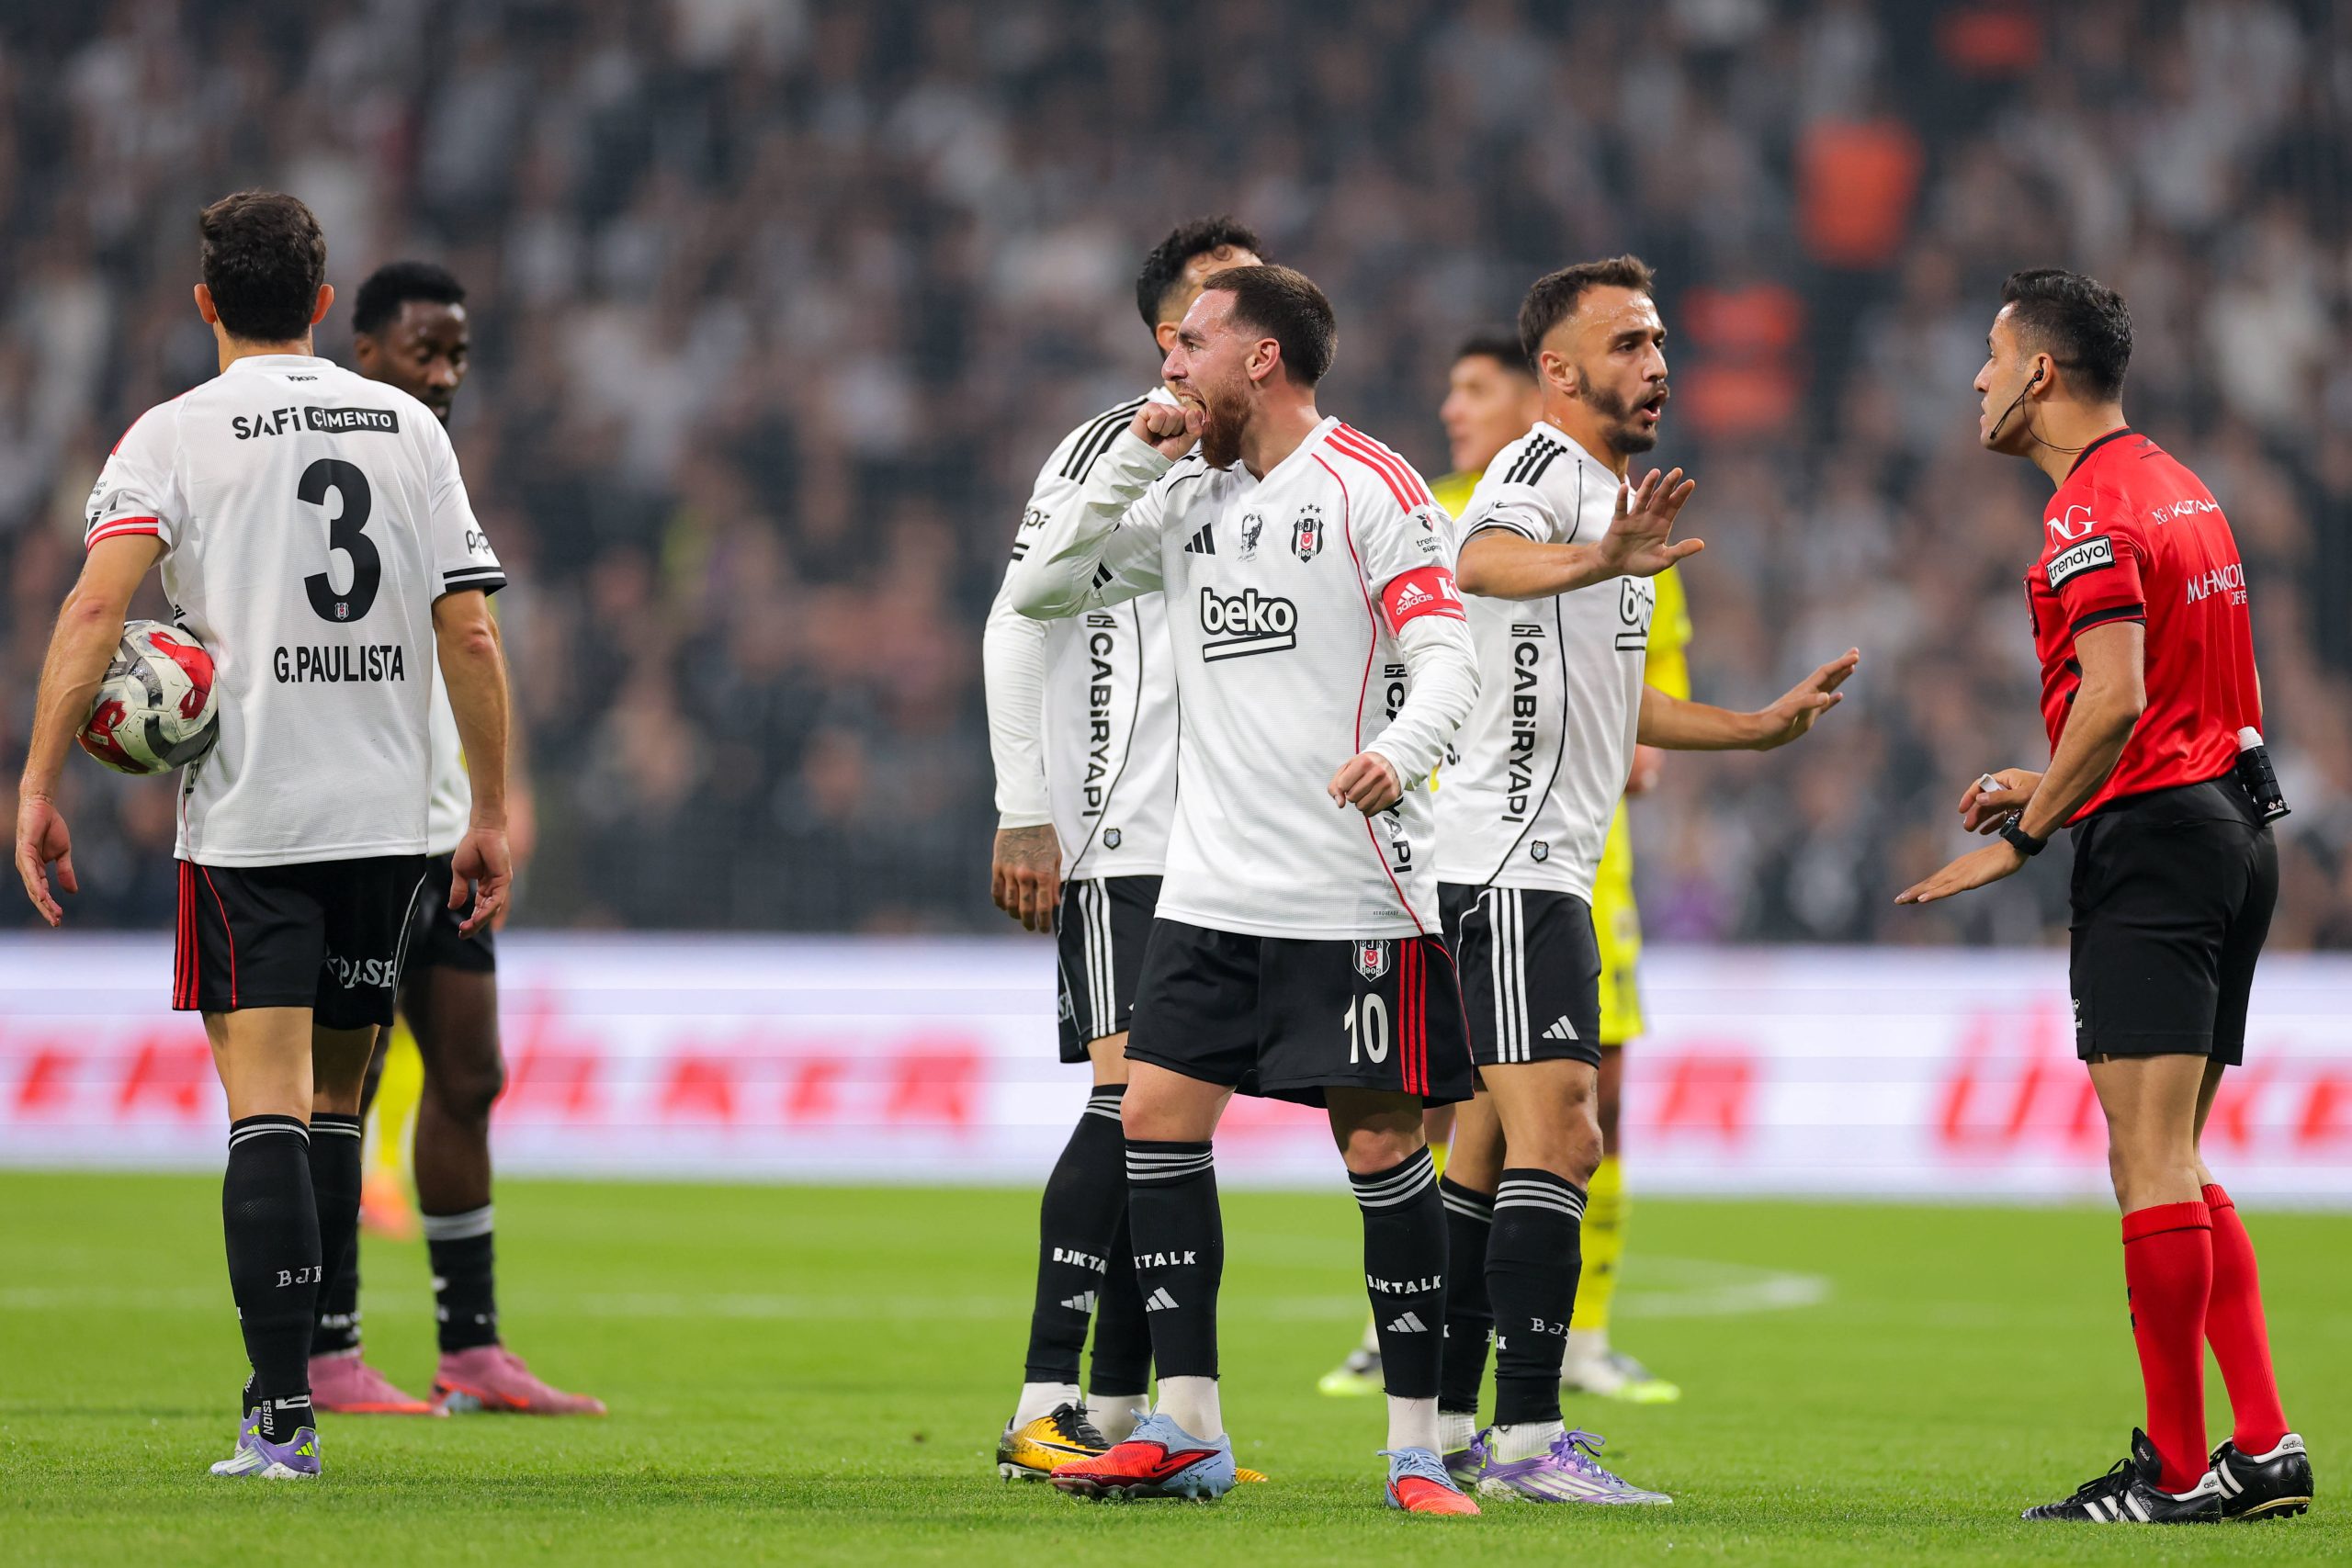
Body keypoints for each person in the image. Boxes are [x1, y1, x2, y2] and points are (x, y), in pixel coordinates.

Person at [12, 192, 513, 1478]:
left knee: (267, 1105)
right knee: (336, 1097)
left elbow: (93, 613)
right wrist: (492, 811)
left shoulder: (171, 434)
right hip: (388, 822)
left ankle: (283, 1414)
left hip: (253, 822)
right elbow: (469, 630)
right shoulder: (406, 426)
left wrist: (39, 781)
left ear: (205, 303)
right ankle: (328, 1358)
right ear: (325, 304)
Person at [1008, 265, 1492, 1513]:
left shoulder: (1371, 486)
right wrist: (1134, 456)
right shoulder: (1185, 495)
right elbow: (1042, 589)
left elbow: (1449, 656)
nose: (1169, 365)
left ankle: (1416, 1448)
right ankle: (1190, 1424)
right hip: (1210, 894)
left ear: (1261, 357)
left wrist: (1402, 752)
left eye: (1192, 345)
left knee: (1381, 1144)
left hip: (1351, 888)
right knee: (1155, 1119)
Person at [1436, 256, 1859, 1503]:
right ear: (1558, 370)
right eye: (1628, 342)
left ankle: (1449, 1424)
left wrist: (1755, 729)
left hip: (1540, 868)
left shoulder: (1607, 498)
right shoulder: (1537, 473)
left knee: (1486, 1152)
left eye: (1660, 340)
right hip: (1510, 863)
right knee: (1564, 1136)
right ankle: (1528, 1440)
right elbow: (1479, 563)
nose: (1658, 362)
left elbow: (1624, 706)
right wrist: (1599, 559)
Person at [1899, 268, 2310, 1524]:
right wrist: (2054, 777)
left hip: (2160, 846)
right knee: (2175, 1155)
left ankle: (2176, 1471)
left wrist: (2030, 832)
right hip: (2230, 825)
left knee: (2146, 1161)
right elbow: (2173, 704)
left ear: (2040, 372)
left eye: (1991, 354)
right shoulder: (2180, 486)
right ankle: (2262, 1445)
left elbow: (2120, 696)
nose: (1977, 378)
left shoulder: (2085, 510)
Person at [1320, 331, 1693, 1405]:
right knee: (1454, 1104)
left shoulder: (1620, 509)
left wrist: (1718, 728)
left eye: (1473, 389)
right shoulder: (1432, 509)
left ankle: (1561, 1352)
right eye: (1449, 389)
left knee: (1571, 1107)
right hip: (1462, 847)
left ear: (1535, 397)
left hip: (1582, 861)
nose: (1452, 408)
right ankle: (1442, 1358)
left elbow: (1646, 689)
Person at [982, 218, 1263, 1479]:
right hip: (1122, 826)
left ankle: (1121, 1411)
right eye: (1223, 294)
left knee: (1171, 1126)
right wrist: (1025, 803)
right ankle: (1041, 1398)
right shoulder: (1113, 445)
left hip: (1227, 837)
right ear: (1170, 333)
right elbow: (1017, 617)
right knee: (1127, 1101)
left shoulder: (1266, 465)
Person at [300, 259, 601, 1418]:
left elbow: (472, 641)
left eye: (459, 355)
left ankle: (469, 1348)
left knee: (469, 1075)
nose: (445, 373)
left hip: (442, 833)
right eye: (426, 351)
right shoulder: (324, 468)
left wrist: (489, 798)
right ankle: (326, 1347)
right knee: (349, 1085)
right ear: (365, 349)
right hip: (359, 828)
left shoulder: (434, 468)